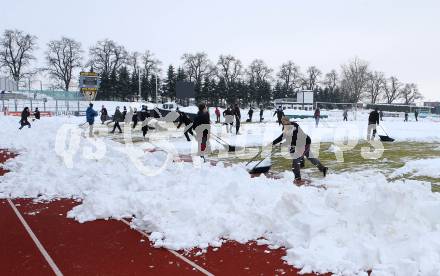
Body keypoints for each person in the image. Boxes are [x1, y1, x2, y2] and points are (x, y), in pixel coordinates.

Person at [272, 116, 327, 185]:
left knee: (296, 160)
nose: (283, 123)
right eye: (282, 122)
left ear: (288, 121)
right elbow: (282, 136)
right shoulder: (285, 128)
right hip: (299, 144)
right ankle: (323, 168)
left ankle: (298, 179)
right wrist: (273, 142)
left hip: (304, 143)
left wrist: (282, 144)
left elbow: (293, 139)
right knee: (310, 157)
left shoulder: (295, 127)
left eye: (284, 121)